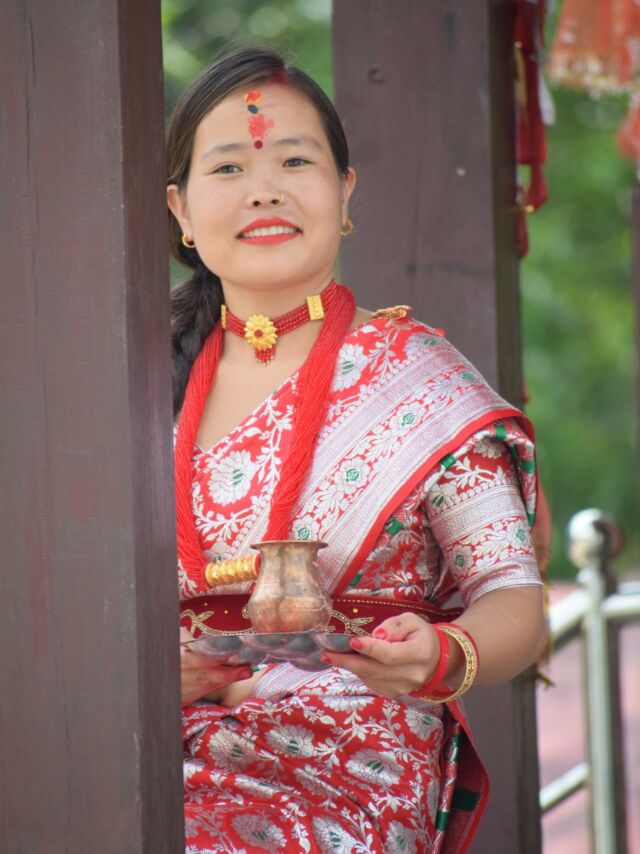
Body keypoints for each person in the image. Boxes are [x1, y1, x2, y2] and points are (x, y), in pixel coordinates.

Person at [167, 48, 547, 854]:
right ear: (181, 211)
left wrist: (447, 654)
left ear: (344, 192)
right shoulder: (128, 386)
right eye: (228, 167)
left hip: (349, 756)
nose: (264, 189)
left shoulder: (418, 376)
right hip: (143, 748)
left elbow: (514, 597)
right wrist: (144, 677)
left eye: (295, 160)